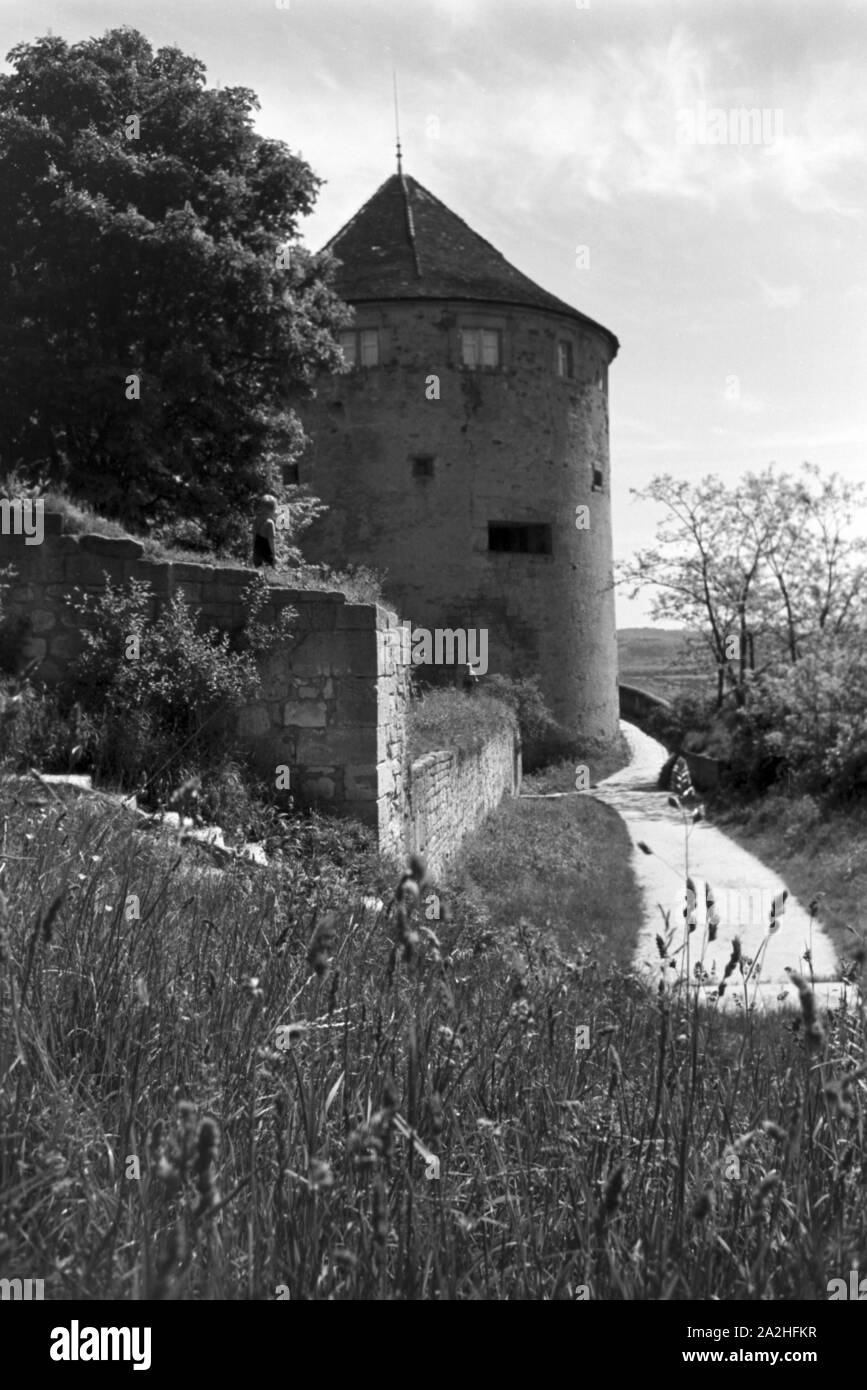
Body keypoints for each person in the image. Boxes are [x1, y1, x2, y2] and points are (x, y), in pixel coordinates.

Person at [252, 495, 278, 569]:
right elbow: (271, 541)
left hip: (257, 553)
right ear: (272, 509)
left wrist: (254, 552)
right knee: (269, 576)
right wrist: (274, 555)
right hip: (267, 554)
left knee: (258, 574)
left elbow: (254, 538)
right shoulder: (270, 523)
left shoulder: (255, 520)